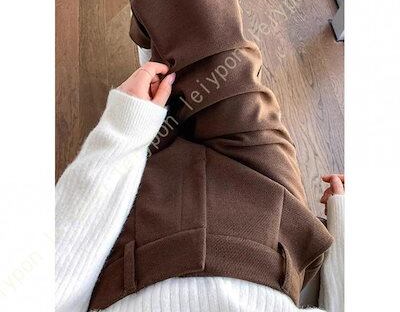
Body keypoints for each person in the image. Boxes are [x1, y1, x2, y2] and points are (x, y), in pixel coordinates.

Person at [56, 61, 344, 312]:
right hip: (270, 225)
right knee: (223, 57)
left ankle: (159, 56)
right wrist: (344, 219)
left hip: (144, 239)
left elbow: (55, 277)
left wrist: (126, 127)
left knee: (195, 53)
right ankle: (161, 56)